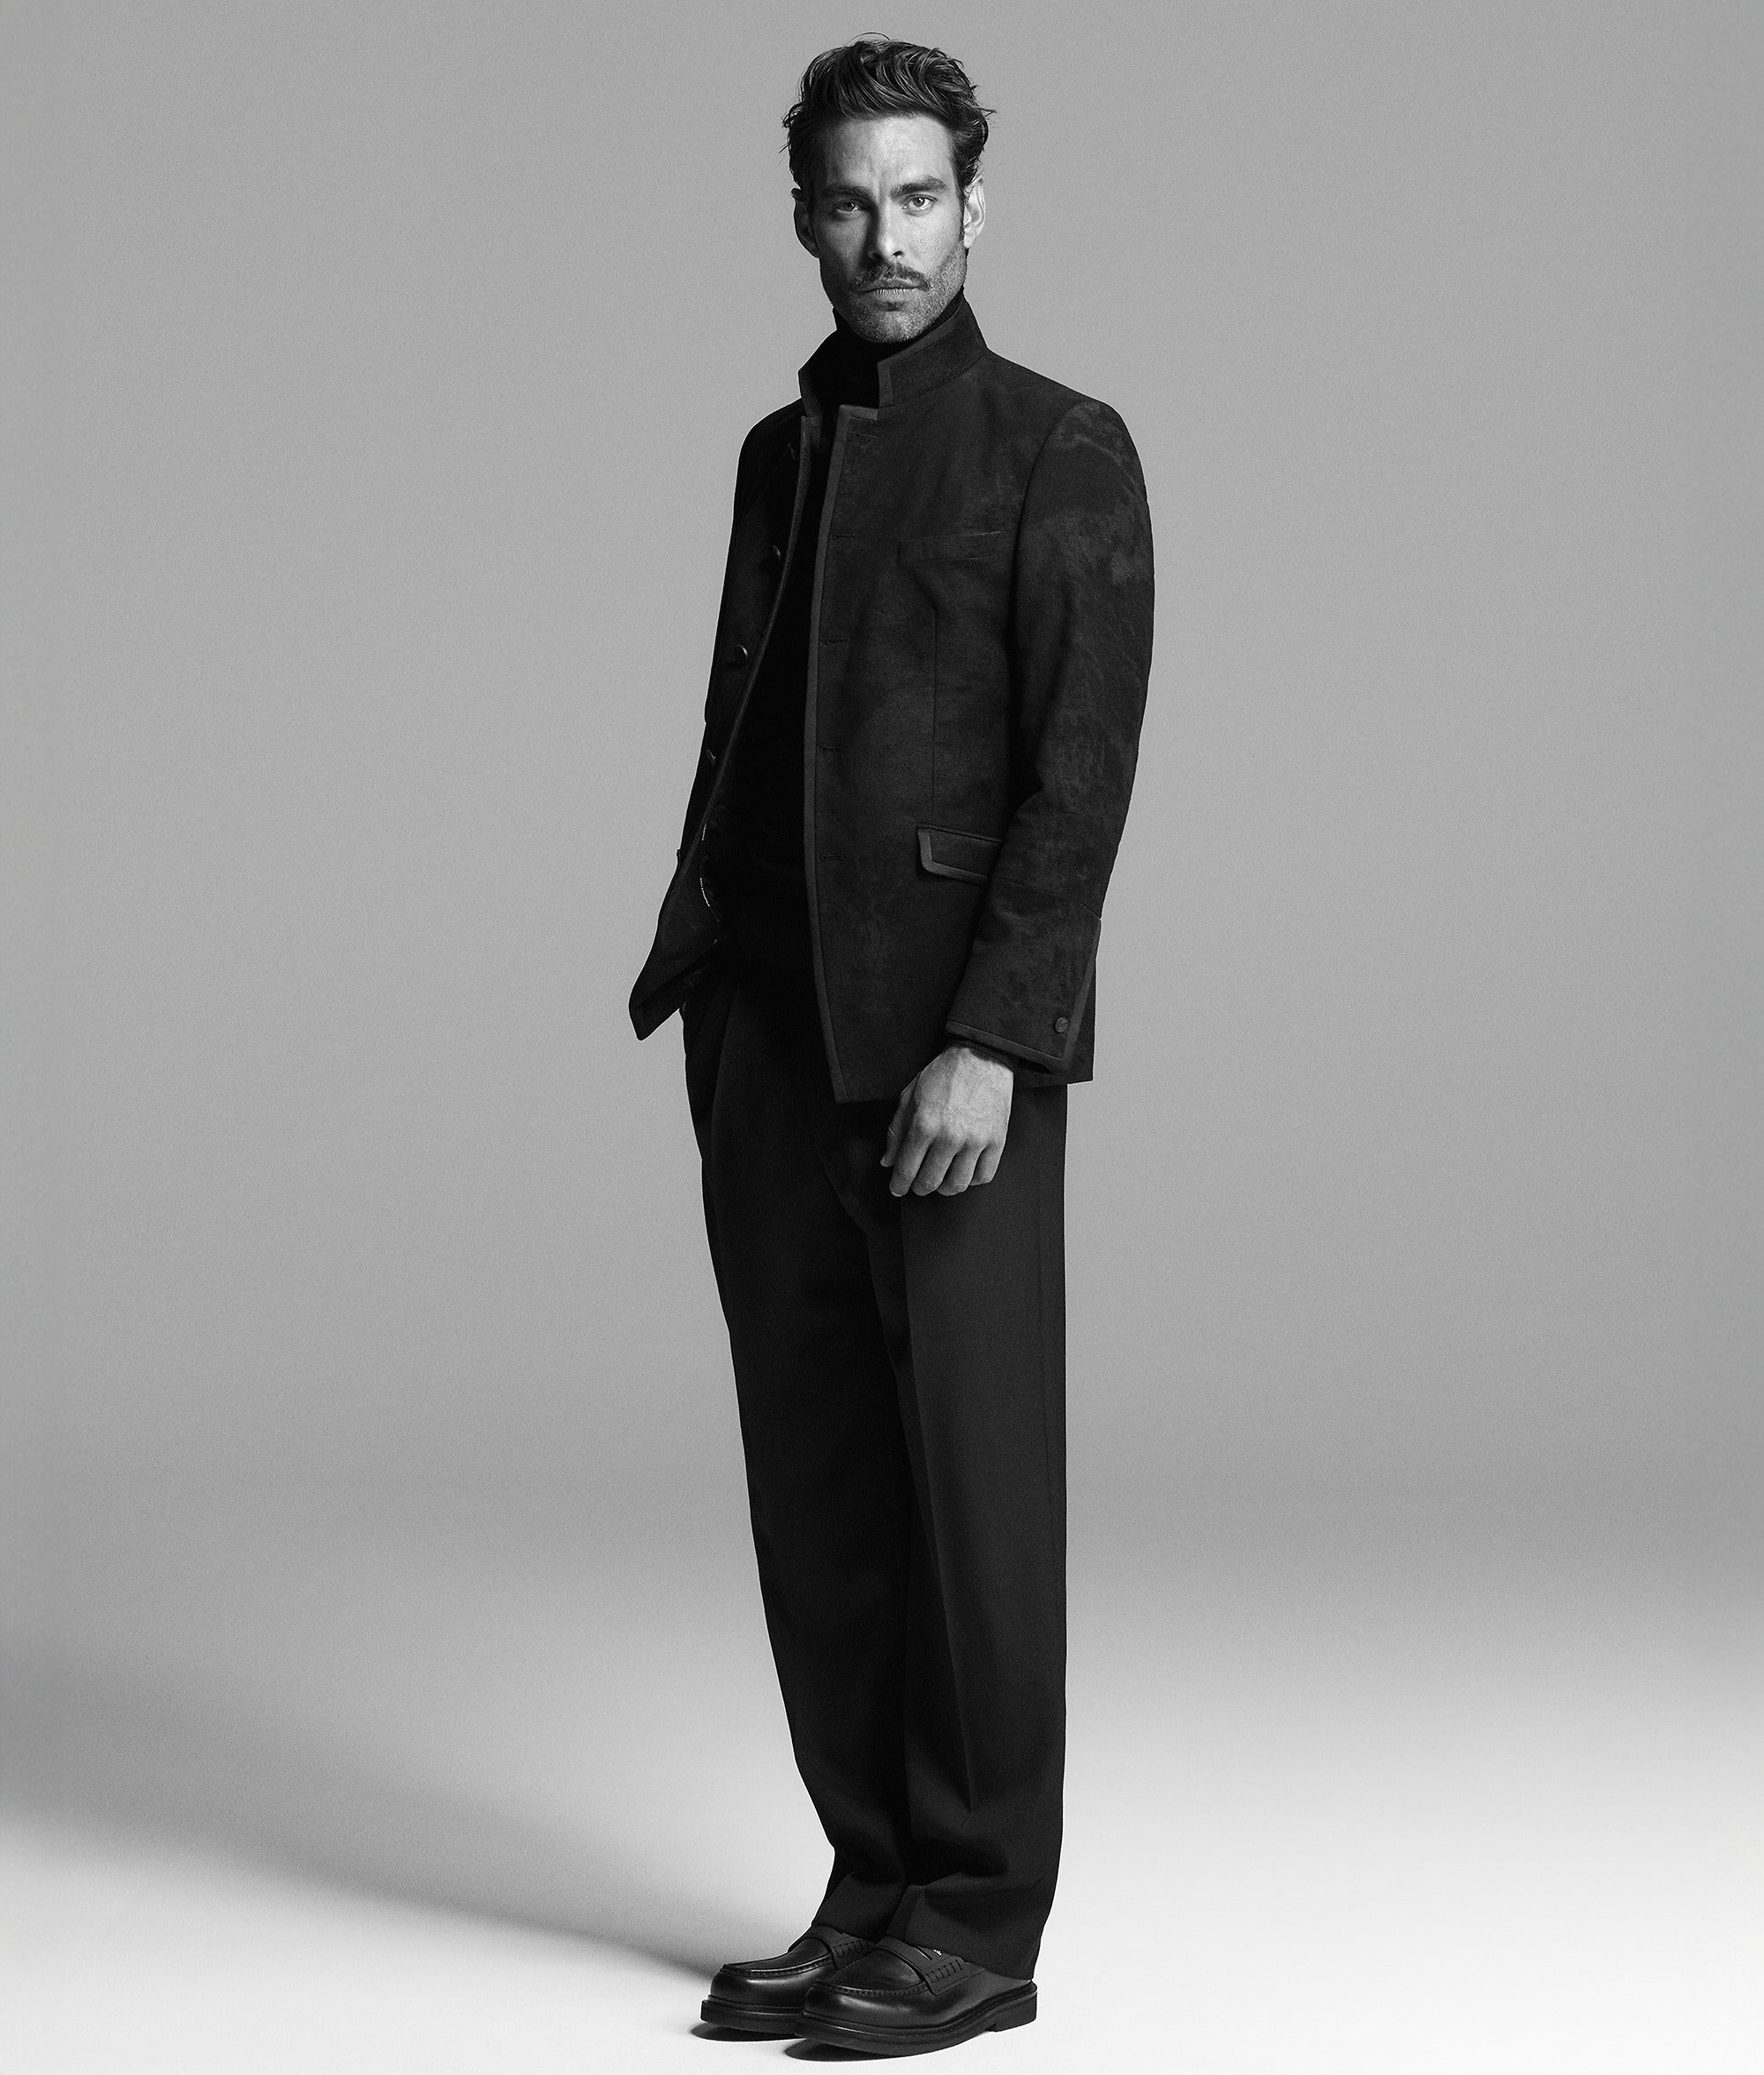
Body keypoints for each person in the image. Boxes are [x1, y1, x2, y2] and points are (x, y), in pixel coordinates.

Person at [628, 35, 1154, 2056]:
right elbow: (743, 717)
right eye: (848, 202)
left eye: (918, 197)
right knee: (822, 1492)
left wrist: (995, 1040)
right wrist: (699, 958)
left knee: (969, 1500)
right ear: (803, 218)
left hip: (947, 1062)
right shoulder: (776, 452)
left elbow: (1074, 784)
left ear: (975, 207)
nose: (886, 239)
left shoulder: (1058, 447)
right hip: (768, 1038)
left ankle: (978, 1916)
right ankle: (870, 1880)